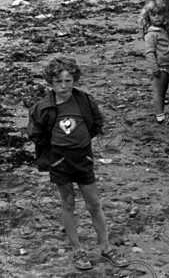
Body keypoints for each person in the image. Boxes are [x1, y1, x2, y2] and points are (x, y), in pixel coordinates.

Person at [27, 57, 128, 271]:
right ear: (50, 83)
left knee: (94, 203)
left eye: (68, 81)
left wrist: (81, 143)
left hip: (83, 157)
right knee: (68, 203)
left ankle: (106, 246)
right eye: (58, 82)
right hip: (59, 159)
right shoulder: (44, 107)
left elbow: (96, 124)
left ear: (75, 80)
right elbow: (36, 133)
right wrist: (55, 149)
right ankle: (77, 250)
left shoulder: (84, 100)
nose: (64, 86)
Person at [141, 1, 169, 127]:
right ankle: (160, 116)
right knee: (159, 91)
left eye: (160, 14)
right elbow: (149, 52)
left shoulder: (163, 30)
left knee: (163, 90)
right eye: (153, 14)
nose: (157, 17)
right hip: (160, 67)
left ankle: (161, 113)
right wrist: (154, 68)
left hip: (168, 66)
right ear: (148, 16)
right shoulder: (151, 34)